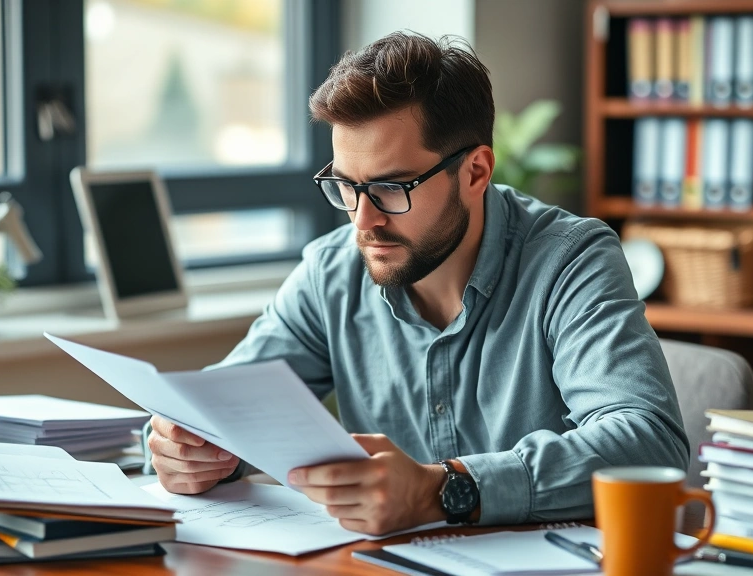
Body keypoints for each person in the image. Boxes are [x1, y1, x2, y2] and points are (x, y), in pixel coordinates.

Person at [148, 32, 688, 535]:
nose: (363, 221)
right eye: (346, 186)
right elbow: (231, 404)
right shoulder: (331, 271)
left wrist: (445, 489)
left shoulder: (570, 261)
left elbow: (648, 440)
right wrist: (196, 444)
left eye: (388, 187)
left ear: (475, 172)